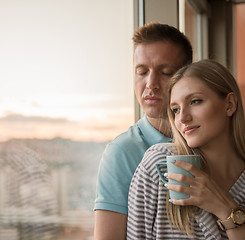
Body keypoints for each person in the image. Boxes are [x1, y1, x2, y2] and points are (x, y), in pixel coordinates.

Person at [127, 59, 245, 239]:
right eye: (175, 109)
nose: (182, 118)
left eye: (195, 101)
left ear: (229, 104)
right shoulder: (159, 167)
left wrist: (226, 209)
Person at [94, 22, 193, 239]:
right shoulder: (122, 152)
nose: (151, 83)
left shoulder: (203, 139)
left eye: (165, 72)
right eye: (142, 72)